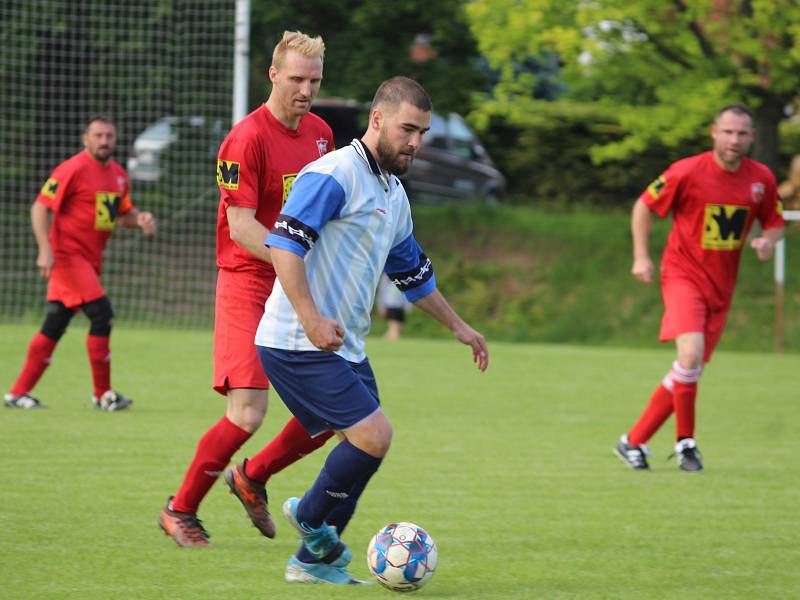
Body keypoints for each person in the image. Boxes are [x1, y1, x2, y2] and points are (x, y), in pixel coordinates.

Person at [255, 76, 489, 584]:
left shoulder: (393, 193)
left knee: (367, 445)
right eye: (408, 129)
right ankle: (310, 519)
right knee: (372, 436)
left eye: (423, 132)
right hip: (297, 340)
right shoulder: (335, 173)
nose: (416, 142)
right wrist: (311, 318)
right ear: (377, 119)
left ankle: (312, 562)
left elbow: (412, 275)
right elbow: (283, 244)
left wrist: (459, 327)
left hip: (344, 346)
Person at [158, 31, 336, 548]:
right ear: (273, 75)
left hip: (296, 281)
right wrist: (292, 260)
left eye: (315, 80)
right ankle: (180, 509)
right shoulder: (245, 138)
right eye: (297, 78)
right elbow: (240, 226)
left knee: (332, 412)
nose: (306, 89)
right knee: (247, 412)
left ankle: (251, 477)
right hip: (248, 281)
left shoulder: (323, 134)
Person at [614, 104, 784, 472]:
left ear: (752, 137)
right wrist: (640, 257)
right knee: (690, 357)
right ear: (713, 132)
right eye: (727, 132)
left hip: (722, 286)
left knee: (687, 370)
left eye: (742, 134)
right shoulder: (687, 171)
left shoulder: (762, 179)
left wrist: (768, 241)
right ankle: (686, 443)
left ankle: (632, 441)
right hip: (682, 275)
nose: (734, 140)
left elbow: (775, 221)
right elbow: (643, 206)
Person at [4, 115, 156, 411]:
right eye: (97, 135)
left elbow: (118, 216)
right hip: (67, 257)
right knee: (102, 314)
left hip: (89, 261)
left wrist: (140, 220)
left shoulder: (117, 175)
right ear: (85, 139)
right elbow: (39, 207)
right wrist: (44, 249)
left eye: (109, 136)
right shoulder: (71, 169)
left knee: (55, 323)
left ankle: (17, 393)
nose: (103, 141)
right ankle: (103, 394)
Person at [376, 272, 411, 340]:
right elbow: (382, 291)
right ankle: (393, 338)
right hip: (390, 303)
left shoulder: (404, 274)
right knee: (393, 325)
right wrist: (381, 305)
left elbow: (407, 290)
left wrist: (408, 304)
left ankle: (389, 337)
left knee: (398, 325)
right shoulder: (386, 276)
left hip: (400, 304)